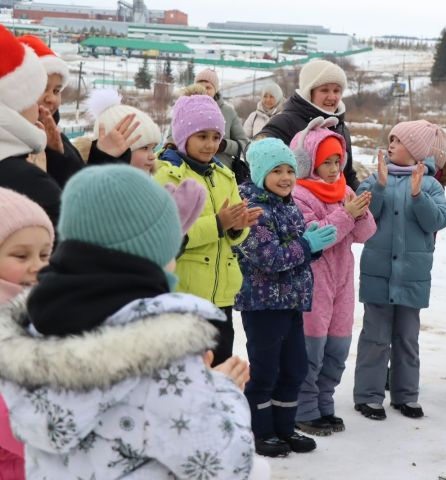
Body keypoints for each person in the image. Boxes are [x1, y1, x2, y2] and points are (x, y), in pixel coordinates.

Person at [0, 165, 262, 479]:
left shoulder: (34, 333)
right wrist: (220, 393)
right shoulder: (162, 357)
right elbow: (228, 465)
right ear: (153, 254)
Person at [234, 138, 337, 457]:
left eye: (290, 170)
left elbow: (294, 254)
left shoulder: (288, 204)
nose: (285, 177)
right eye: (277, 170)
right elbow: (269, 258)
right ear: (261, 172)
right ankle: (261, 430)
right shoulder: (250, 210)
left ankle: (284, 426)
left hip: (291, 300)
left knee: (294, 367)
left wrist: (312, 247)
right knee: (266, 370)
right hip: (262, 304)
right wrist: (307, 246)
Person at [352, 120, 446, 420]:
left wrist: (419, 196)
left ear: (417, 150)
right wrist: (379, 186)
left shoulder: (431, 184)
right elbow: (365, 217)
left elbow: (438, 221)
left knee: (407, 339)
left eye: (398, 141)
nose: (390, 145)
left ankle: (406, 395)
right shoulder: (374, 179)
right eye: (390, 140)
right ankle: (368, 396)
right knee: (375, 337)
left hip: (412, 276)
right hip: (378, 273)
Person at [155, 94, 262, 366]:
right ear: (183, 135)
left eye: (216, 137)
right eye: (202, 136)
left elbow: (233, 234)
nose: (210, 145)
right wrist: (218, 223)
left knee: (218, 370)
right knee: (184, 374)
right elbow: (167, 237)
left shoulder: (224, 174)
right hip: (184, 298)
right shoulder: (167, 175)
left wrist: (239, 226)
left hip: (220, 298)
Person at [290, 118, 377, 436]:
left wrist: (362, 210)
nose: (332, 168)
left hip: (343, 279)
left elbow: (365, 234)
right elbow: (322, 237)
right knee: (312, 347)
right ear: (308, 162)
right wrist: (347, 214)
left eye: (337, 161)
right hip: (314, 279)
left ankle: (325, 402)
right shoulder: (299, 195)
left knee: (338, 346)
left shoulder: (345, 191)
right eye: (326, 161)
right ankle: (305, 407)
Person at [0, 187, 55, 480]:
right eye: (21, 256)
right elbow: (16, 426)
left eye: (45, 255)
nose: (38, 266)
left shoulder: (42, 313)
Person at [258, 59, 359, 190]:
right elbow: (256, 156)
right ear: (308, 92)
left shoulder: (340, 128)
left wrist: (367, 196)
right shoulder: (284, 122)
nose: (332, 97)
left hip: (338, 205)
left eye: (336, 91)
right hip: (297, 206)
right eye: (324, 90)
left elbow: (348, 176)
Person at [0, 25, 61, 228]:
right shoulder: (27, 180)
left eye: (57, 90)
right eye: (36, 94)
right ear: (17, 101)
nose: (45, 101)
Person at [16, 34, 84, 189]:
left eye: (56, 90)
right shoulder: (9, 144)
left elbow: (82, 196)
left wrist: (57, 155)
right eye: (42, 88)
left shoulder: (60, 141)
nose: (51, 99)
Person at [165, 68, 249, 170]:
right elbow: (171, 137)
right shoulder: (185, 109)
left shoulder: (228, 111)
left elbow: (245, 145)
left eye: (208, 87)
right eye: (200, 86)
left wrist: (224, 145)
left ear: (215, 90)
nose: (204, 90)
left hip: (220, 172)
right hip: (187, 168)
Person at [83, 88, 162, 173]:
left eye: (153, 149)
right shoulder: (102, 185)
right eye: (144, 148)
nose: (153, 156)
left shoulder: (149, 181)